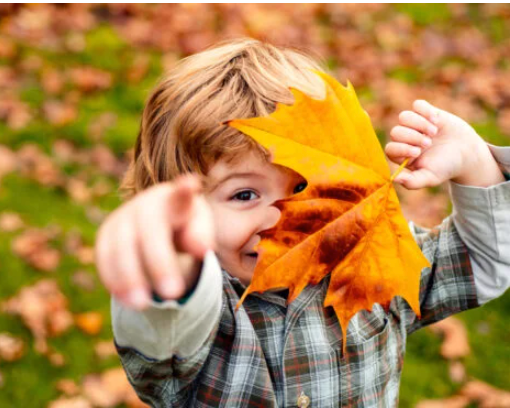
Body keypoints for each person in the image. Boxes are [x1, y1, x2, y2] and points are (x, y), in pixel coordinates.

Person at [95, 38, 510, 407]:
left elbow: (483, 261)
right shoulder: (204, 318)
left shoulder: (371, 259)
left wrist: (474, 162)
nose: (281, 215)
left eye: (303, 187)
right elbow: (164, 325)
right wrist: (170, 262)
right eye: (244, 195)